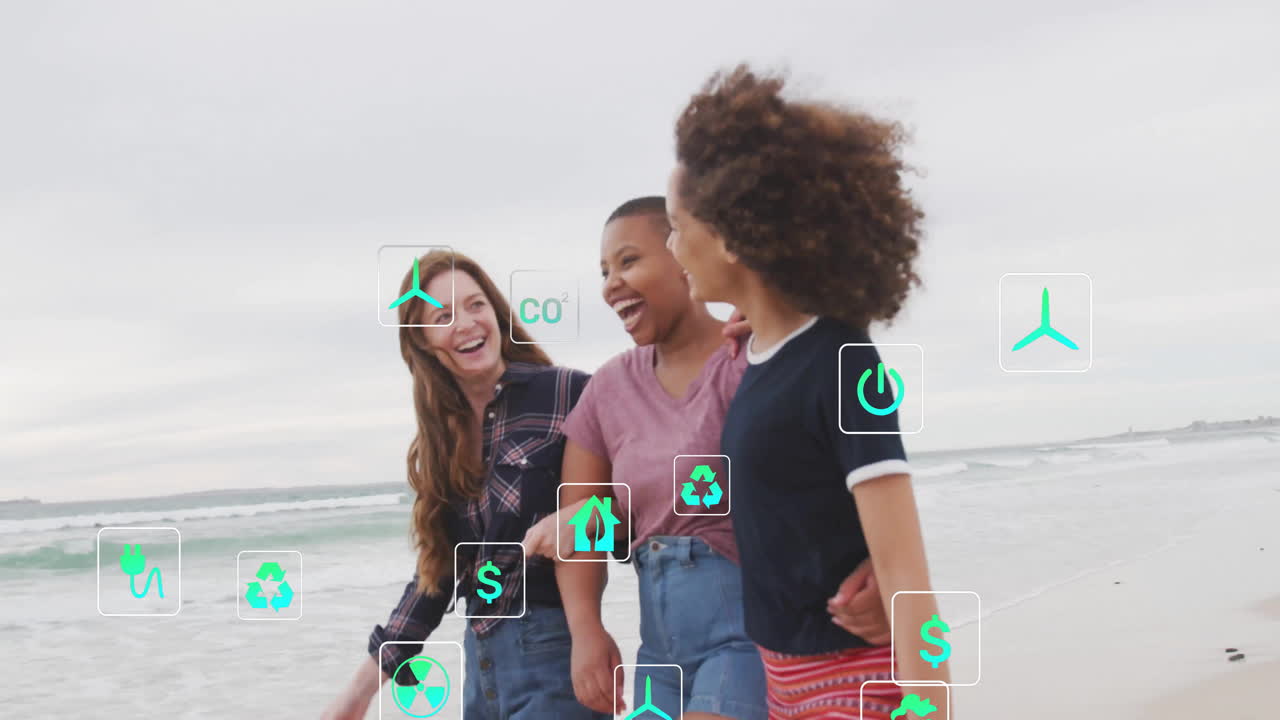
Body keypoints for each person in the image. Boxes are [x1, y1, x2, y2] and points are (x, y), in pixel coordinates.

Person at [523, 198, 893, 720]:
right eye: (605, 271)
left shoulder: (752, 357)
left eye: (629, 261)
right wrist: (587, 630)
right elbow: (591, 520)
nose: (610, 284)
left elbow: (833, 482)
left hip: (746, 634)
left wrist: (879, 568)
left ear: (683, 253)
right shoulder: (607, 389)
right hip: (659, 653)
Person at [664, 66, 951, 719]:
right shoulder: (759, 358)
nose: (673, 246)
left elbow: (907, 575)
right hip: (785, 682)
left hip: (858, 682)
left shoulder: (842, 361)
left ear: (732, 234)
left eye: (678, 226)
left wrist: (932, 708)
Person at [322, 250, 606, 720]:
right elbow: (435, 578)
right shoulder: (440, 443)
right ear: (423, 342)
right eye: (444, 316)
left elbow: (644, 499)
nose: (468, 323)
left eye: (476, 305)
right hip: (482, 669)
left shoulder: (567, 394)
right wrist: (360, 691)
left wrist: (583, 516)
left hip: (555, 653)